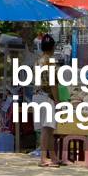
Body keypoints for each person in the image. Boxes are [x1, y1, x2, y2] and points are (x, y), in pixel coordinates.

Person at [34, 34, 61, 167]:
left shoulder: (38, 60)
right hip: (47, 96)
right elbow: (53, 84)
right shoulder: (50, 61)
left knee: (49, 128)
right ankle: (44, 158)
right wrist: (58, 101)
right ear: (53, 47)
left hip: (37, 95)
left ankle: (53, 157)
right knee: (47, 128)